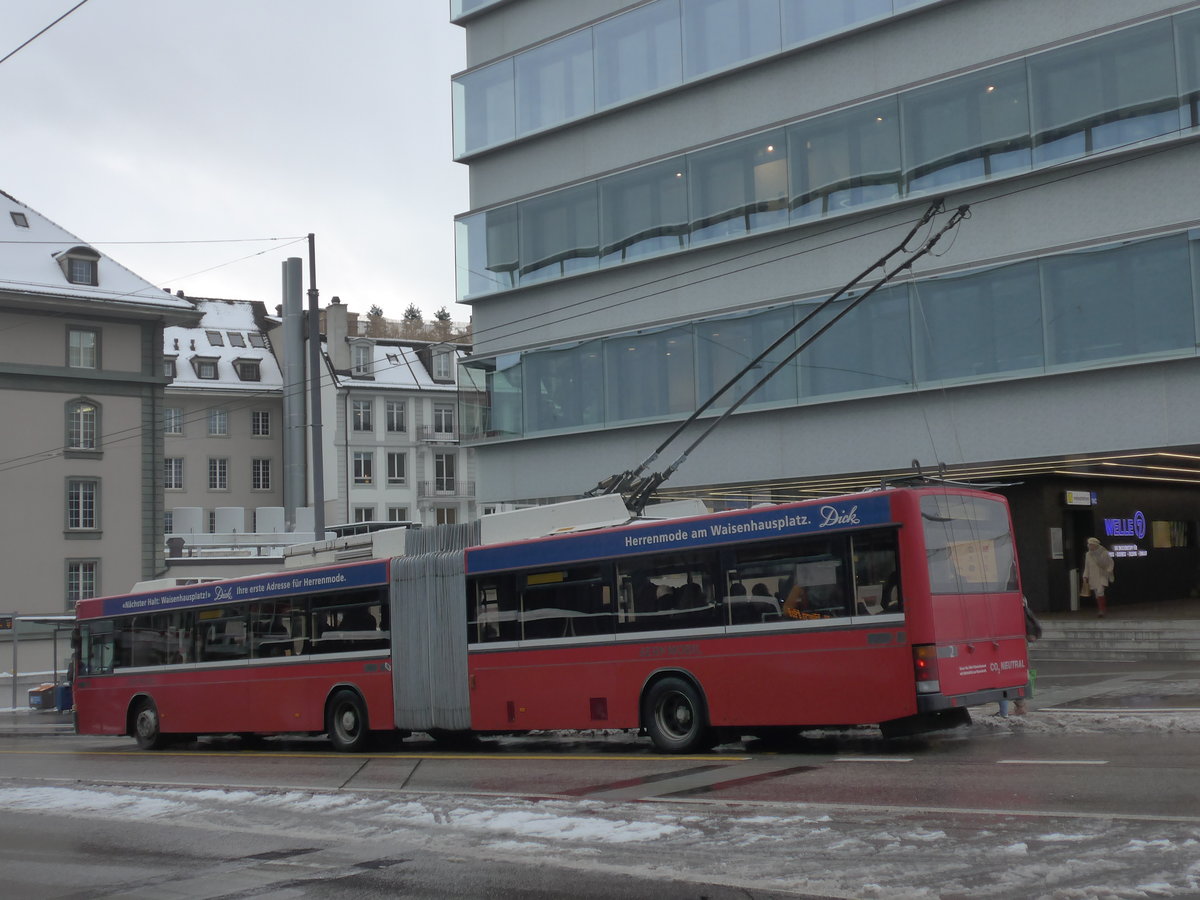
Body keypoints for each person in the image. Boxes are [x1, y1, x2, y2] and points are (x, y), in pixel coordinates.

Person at [998, 596, 1039, 717]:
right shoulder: (1020, 599)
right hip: (1019, 645)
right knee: (1019, 674)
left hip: (1013, 646)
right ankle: (1020, 706)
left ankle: (1014, 709)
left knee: (1006, 677)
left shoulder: (1009, 603)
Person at [1082, 536, 1115, 618]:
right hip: (1093, 576)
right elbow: (1087, 566)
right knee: (1097, 593)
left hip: (1102, 575)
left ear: (1095, 545)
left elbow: (1110, 563)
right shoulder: (1088, 554)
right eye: (1089, 545)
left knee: (1100, 591)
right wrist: (1085, 576)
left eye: (1091, 544)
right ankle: (1102, 608)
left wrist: (1108, 571)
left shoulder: (1104, 553)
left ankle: (1101, 610)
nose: (1089, 546)